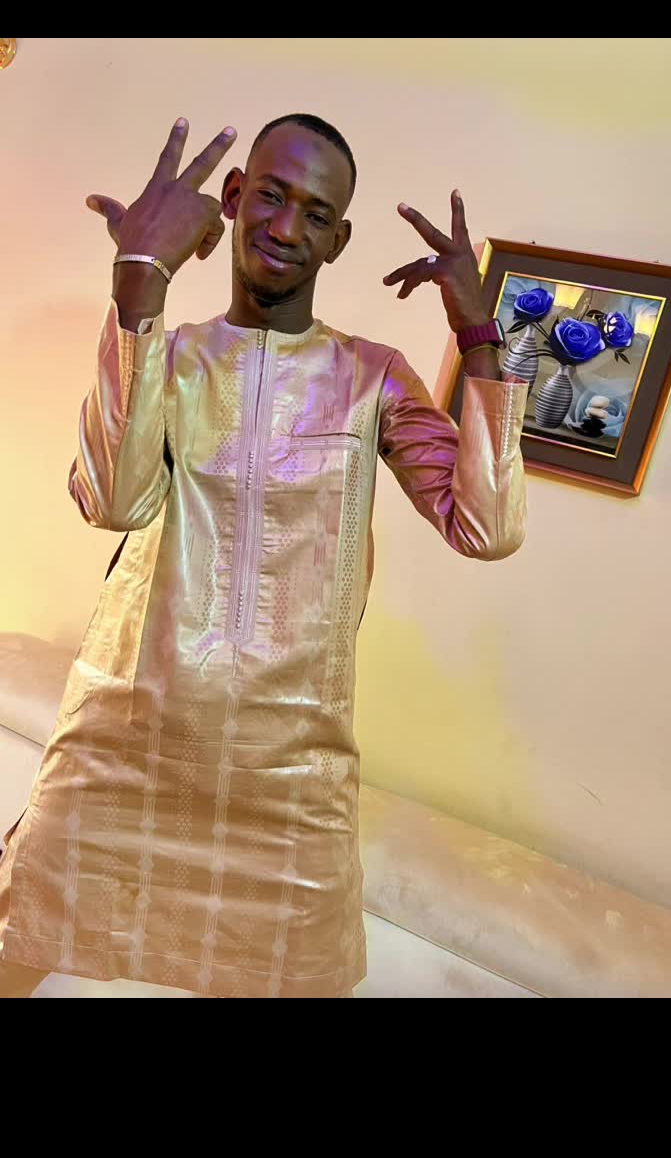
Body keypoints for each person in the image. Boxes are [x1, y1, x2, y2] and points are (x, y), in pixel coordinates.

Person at [0, 114, 527, 999]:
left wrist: (479, 339)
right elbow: (113, 501)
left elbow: (488, 525)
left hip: (290, 783)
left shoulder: (373, 378)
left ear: (338, 240)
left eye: (316, 214)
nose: (287, 227)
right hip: (122, 748)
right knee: (18, 940)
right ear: (235, 198)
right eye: (272, 196)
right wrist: (140, 283)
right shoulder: (166, 355)